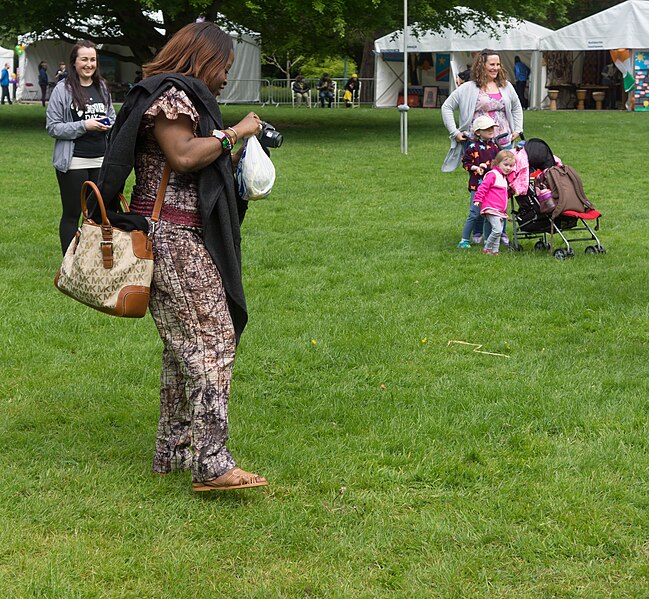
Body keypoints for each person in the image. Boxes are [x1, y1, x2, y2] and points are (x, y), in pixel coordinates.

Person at [95, 21, 268, 493]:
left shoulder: (180, 97)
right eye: (224, 68)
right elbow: (186, 156)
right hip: (172, 237)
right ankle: (211, 463)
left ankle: (170, 452)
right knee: (214, 341)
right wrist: (236, 132)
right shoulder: (173, 97)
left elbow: (198, 165)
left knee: (180, 350)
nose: (225, 78)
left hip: (176, 234)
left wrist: (240, 154)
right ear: (203, 60)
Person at [441, 48, 523, 247]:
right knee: (481, 185)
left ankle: (500, 231)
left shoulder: (506, 86)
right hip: (478, 144)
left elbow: (516, 107)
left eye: (497, 64)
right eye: (491, 64)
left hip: (502, 142)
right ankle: (478, 229)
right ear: (482, 65)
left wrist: (517, 129)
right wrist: (455, 132)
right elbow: (446, 107)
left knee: (501, 187)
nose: (495, 68)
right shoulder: (469, 88)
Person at [46, 40, 116, 253]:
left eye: (93, 59)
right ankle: (69, 262)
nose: (89, 64)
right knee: (72, 212)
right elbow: (53, 127)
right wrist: (84, 125)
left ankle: (92, 258)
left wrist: (108, 124)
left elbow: (111, 114)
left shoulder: (101, 86)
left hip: (101, 159)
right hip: (73, 161)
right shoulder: (62, 89)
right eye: (84, 59)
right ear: (74, 63)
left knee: (98, 212)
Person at [457, 115, 500, 249]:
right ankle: (464, 240)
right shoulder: (472, 147)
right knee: (474, 213)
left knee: (489, 214)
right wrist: (476, 167)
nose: (491, 130)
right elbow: (466, 163)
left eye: (492, 128)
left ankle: (488, 241)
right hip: (477, 185)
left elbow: (498, 164)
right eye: (487, 128)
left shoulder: (495, 147)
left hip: (491, 187)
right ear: (478, 132)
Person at [473, 150, 516, 255]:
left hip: (499, 209)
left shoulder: (504, 178)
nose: (508, 168)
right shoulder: (493, 174)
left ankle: (495, 251)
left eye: (510, 166)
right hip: (491, 207)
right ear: (497, 163)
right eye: (505, 165)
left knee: (499, 231)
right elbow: (483, 187)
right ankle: (487, 248)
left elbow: (503, 194)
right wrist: (478, 199)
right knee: (497, 230)